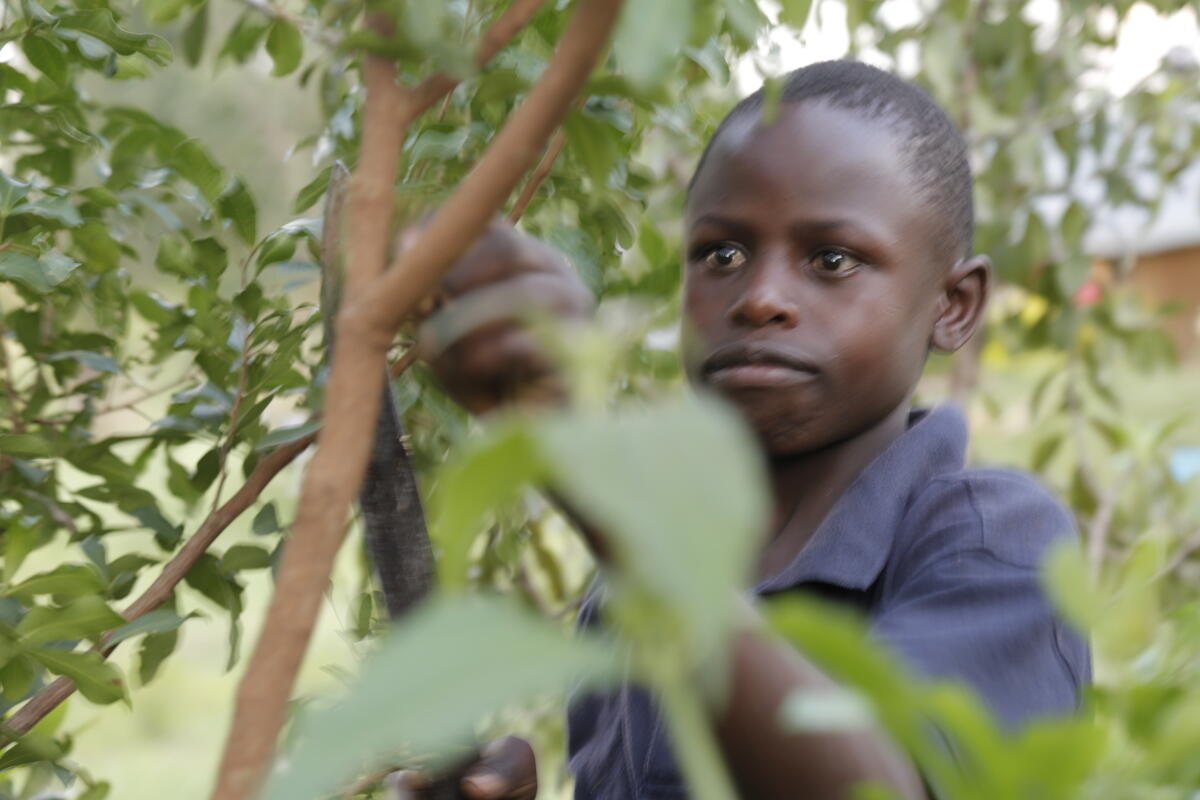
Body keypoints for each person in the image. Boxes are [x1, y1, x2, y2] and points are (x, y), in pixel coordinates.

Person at [403, 60, 1091, 800]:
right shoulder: (630, 589)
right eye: (721, 255)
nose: (759, 298)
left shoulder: (991, 539)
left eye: (832, 260)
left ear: (953, 304)